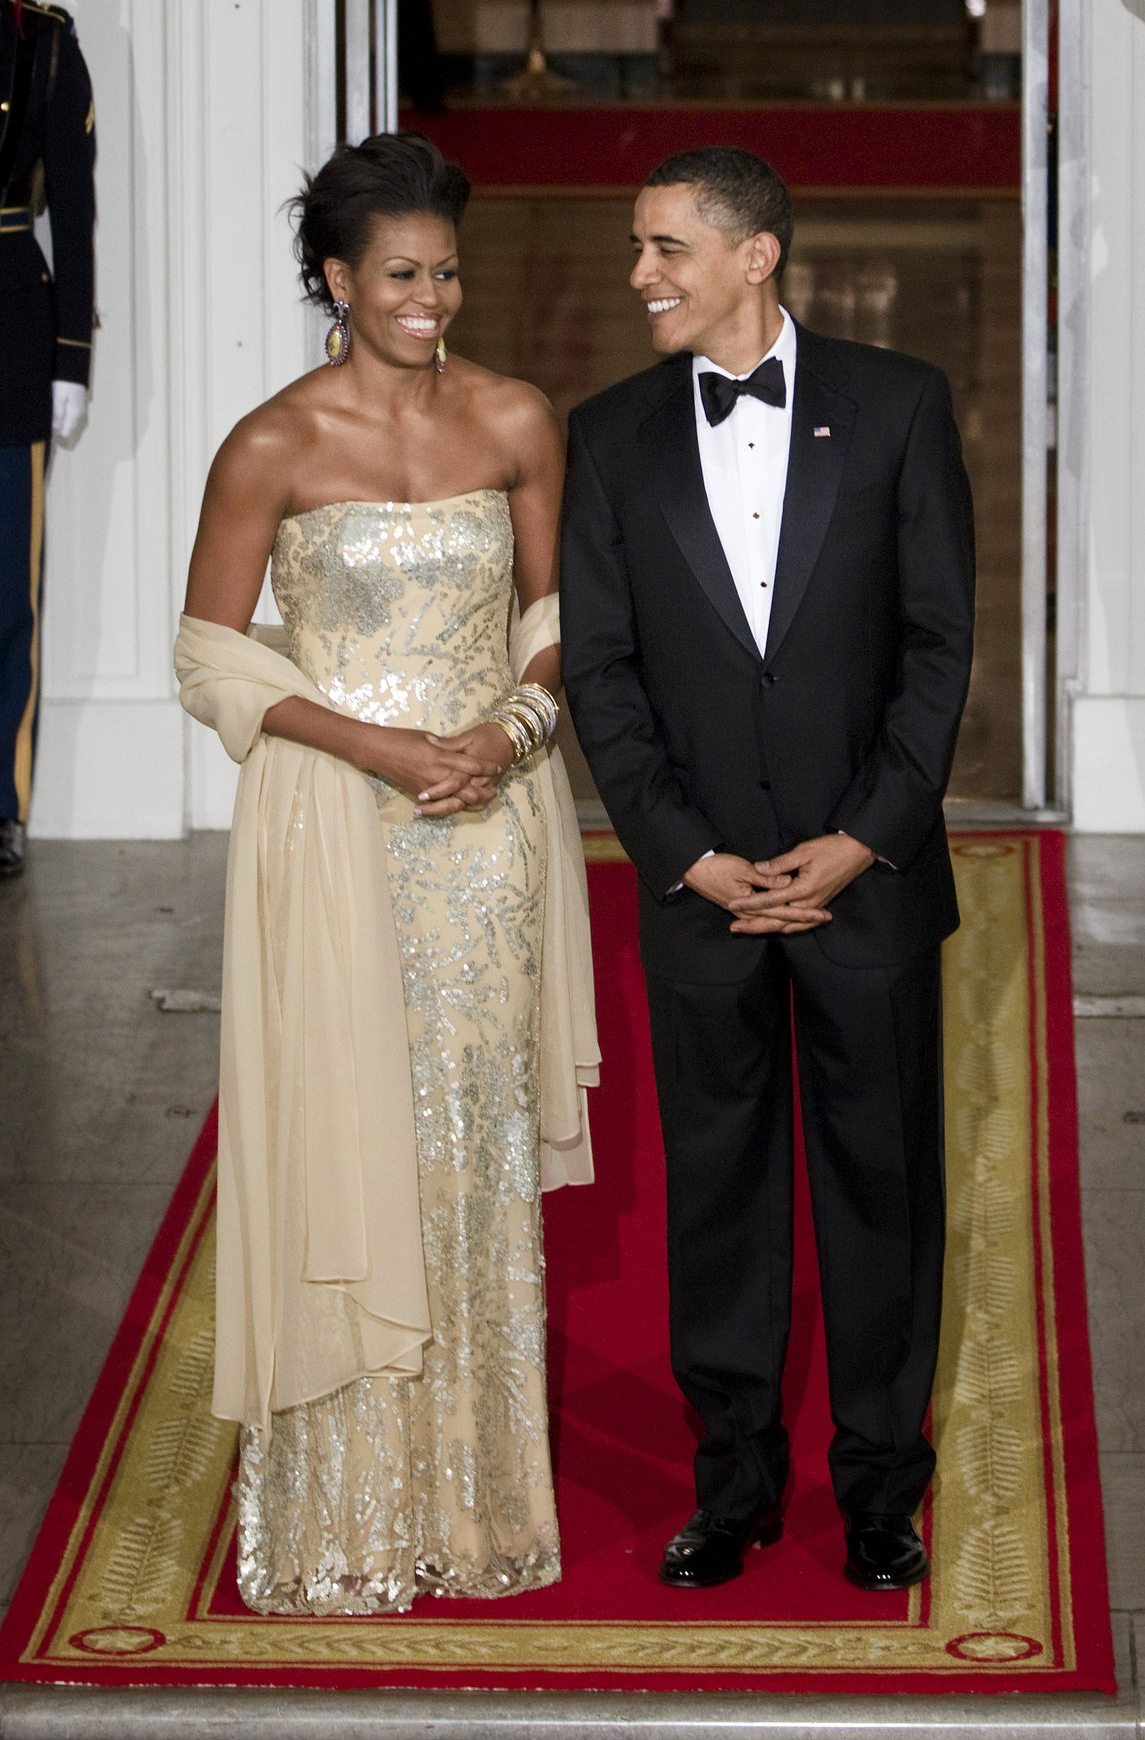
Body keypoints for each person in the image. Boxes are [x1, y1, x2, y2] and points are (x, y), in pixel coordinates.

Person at [175, 131, 598, 1616]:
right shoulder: (272, 445)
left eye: (448, 273)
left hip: (485, 835)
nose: (432, 299)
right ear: (337, 279)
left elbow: (558, 614)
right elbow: (210, 653)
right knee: (344, 1126)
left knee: (467, 1143)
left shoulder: (515, 419)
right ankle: (342, 1506)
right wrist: (372, 744)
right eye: (402, 276)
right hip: (337, 835)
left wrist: (509, 727)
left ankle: (476, 1500)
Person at [560, 147, 974, 1594]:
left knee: (881, 1196)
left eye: (666, 247)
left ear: (757, 257)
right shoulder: (606, 435)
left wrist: (861, 840)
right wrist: (690, 855)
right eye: (636, 246)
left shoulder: (901, 405)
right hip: (701, 899)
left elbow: (937, 652)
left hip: (867, 884)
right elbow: (601, 678)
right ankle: (729, 1487)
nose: (639, 275)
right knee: (719, 1202)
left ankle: (879, 1492)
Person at [0, 0, 95, 877]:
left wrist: (71, 360)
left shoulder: (44, 43)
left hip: (9, 339)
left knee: (4, 596)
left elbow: (73, 200)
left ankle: (1, 806)